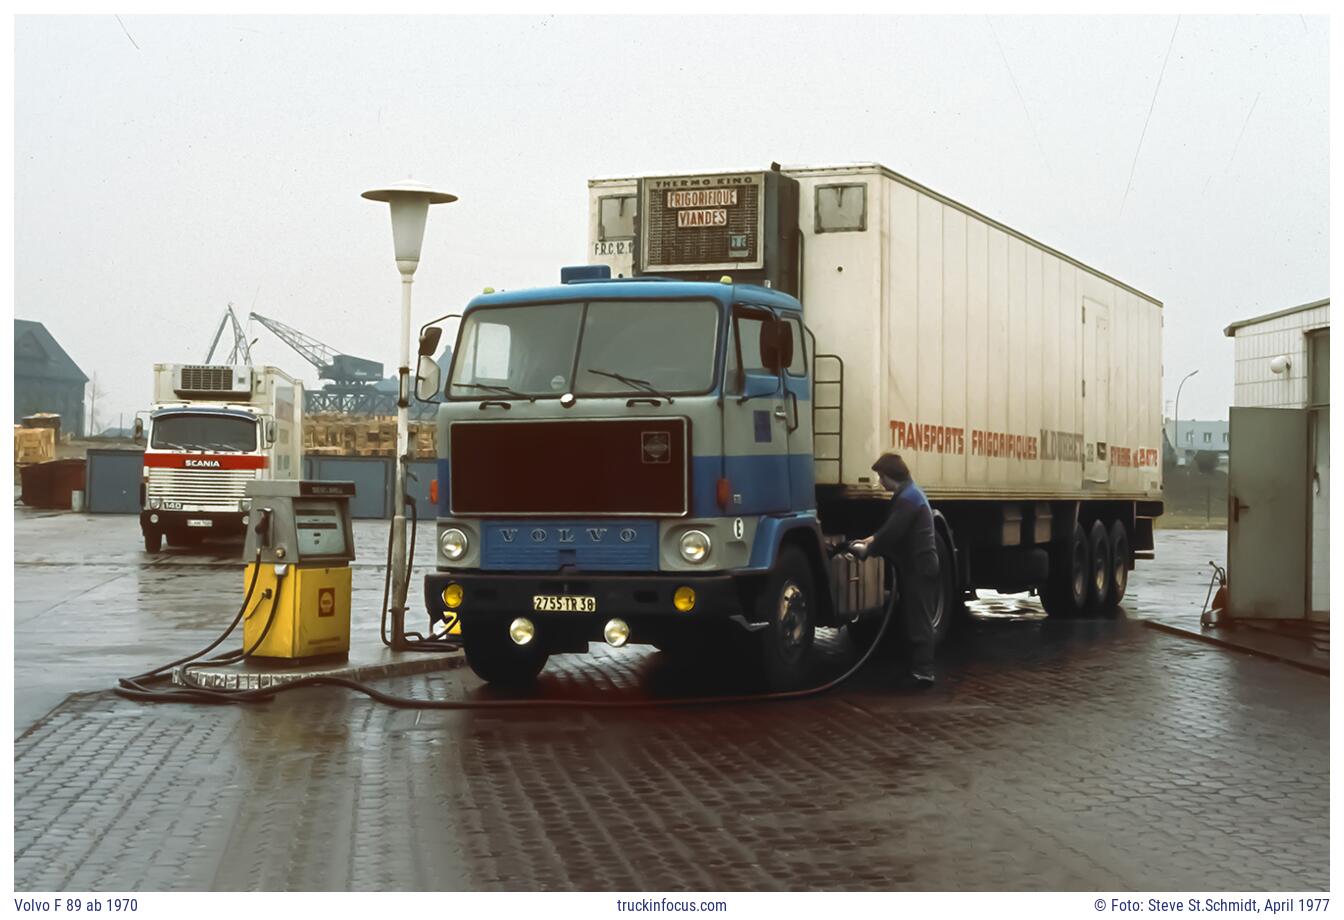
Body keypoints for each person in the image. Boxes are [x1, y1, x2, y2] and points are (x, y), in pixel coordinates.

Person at [849, 453, 940, 687]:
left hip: (919, 567)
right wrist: (870, 539)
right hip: (918, 566)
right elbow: (890, 530)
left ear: (891, 476)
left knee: (919, 621)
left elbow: (892, 533)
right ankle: (919, 670)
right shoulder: (910, 494)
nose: (880, 481)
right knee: (915, 618)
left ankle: (923, 673)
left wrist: (867, 550)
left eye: (881, 476)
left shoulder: (908, 499)